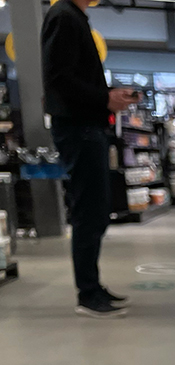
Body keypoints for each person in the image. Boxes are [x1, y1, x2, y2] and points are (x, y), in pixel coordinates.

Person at [41, 0, 138, 318]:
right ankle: (87, 293)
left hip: (86, 126)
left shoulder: (73, 16)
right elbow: (59, 78)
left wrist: (107, 95)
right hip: (78, 127)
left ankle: (92, 286)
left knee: (95, 209)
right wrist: (103, 98)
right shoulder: (64, 16)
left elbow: (69, 76)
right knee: (89, 209)